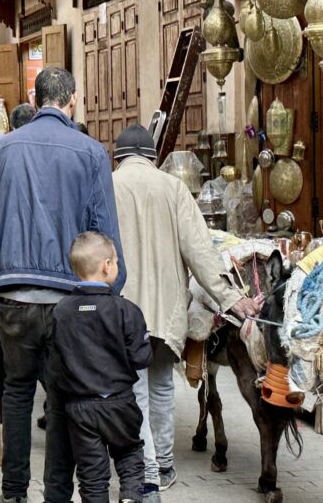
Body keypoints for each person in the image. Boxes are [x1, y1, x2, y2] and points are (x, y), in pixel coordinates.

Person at [0, 67, 127, 503]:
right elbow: (103, 230)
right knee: (61, 398)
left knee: (16, 392)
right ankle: (57, 494)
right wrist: (113, 287)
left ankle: (13, 493)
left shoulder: (0, 151)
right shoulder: (91, 152)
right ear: (72, 100)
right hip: (70, 300)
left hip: (14, 295)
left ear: (35, 102)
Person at [112, 124, 260, 495]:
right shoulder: (173, 187)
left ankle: (145, 471)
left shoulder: (107, 186)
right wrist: (231, 300)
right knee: (162, 385)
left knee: (136, 390)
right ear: (152, 157)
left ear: (118, 157)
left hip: (122, 308)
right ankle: (162, 465)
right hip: (166, 310)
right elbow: (200, 252)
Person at [51, 232, 150, 503]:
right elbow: (141, 358)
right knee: (129, 452)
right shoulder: (126, 310)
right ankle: (130, 497)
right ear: (107, 266)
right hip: (119, 402)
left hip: (80, 406)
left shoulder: (61, 311)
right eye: (116, 261)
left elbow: (56, 361)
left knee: (92, 474)